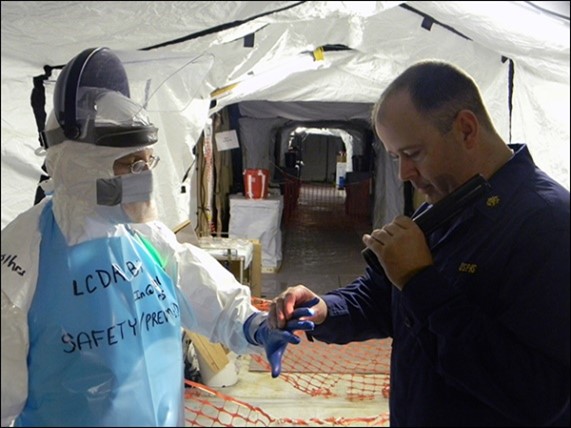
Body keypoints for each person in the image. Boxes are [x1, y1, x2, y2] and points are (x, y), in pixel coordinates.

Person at [0, 47, 314, 427]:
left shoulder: (145, 237)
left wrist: (256, 327)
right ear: (80, 165)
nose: (143, 179)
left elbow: (204, 293)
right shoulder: (21, 260)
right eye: (129, 165)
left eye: (147, 162)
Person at [269, 60, 570, 426]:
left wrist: (421, 280)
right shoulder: (452, 201)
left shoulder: (549, 223)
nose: (403, 174)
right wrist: (326, 309)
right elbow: (386, 295)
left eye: (413, 154)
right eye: (396, 158)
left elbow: (542, 396)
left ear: (466, 129)